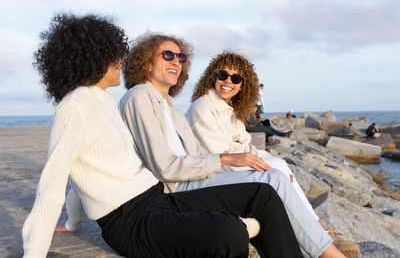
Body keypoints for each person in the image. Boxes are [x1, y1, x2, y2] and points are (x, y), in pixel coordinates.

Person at [22, 14, 303, 258]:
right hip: (128, 222)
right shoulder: (73, 108)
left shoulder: (103, 99)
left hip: (156, 198)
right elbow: (53, 183)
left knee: (263, 194)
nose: (121, 60)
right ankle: (238, 226)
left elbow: (83, 169)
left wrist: (74, 220)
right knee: (230, 233)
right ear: (92, 57)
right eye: (113, 53)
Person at [118, 33, 347, 258]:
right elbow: (164, 167)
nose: (176, 61)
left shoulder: (169, 108)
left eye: (181, 57)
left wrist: (234, 158)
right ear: (147, 63)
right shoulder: (139, 97)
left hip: (194, 181)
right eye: (167, 55)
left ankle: (320, 247)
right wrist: (227, 158)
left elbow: (198, 154)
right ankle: (329, 253)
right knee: (269, 182)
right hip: (175, 190)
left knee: (274, 179)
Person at [186, 52, 360, 258]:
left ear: (243, 85)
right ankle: (323, 242)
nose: (228, 82)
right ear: (213, 76)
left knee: (280, 166)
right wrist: (270, 168)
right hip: (210, 177)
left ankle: (319, 231)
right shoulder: (203, 108)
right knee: (275, 174)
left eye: (236, 78)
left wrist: (278, 167)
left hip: (228, 169)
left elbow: (247, 148)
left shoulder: (228, 110)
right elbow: (221, 159)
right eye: (223, 75)